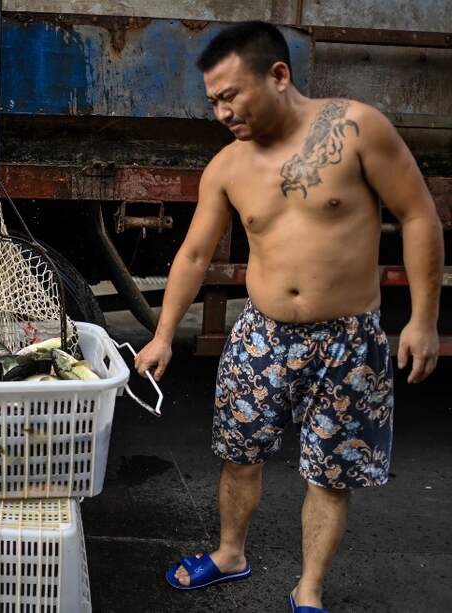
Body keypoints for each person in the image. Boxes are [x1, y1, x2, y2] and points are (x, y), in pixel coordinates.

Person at [135, 21, 443, 613]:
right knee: (239, 454)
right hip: (262, 335)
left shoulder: (356, 128)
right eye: (213, 102)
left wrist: (423, 317)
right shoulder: (226, 167)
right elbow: (195, 254)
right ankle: (230, 554)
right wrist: (164, 335)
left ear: (278, 76)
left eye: (230, 95)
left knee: (329, 475)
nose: (222, 112)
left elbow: (418, 215)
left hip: (348, 339)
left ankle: (309, 591)